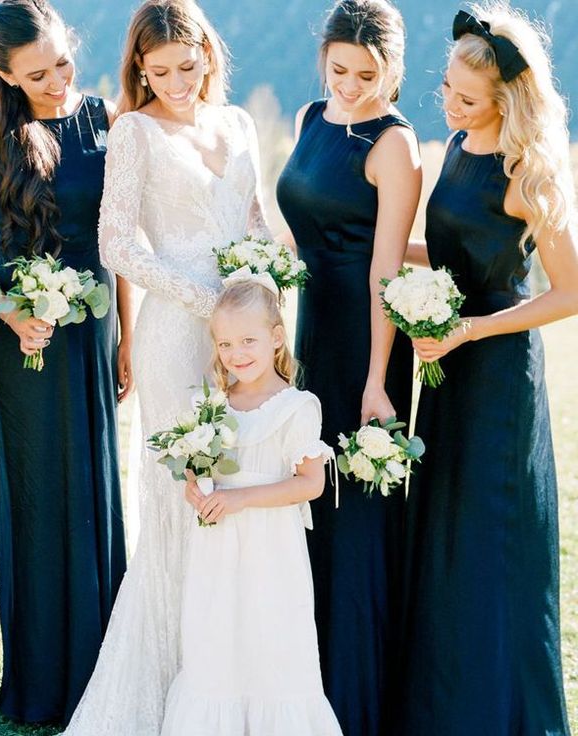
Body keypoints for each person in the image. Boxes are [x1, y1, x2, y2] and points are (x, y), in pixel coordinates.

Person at [62, 1, 270, 733]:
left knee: (241, 478)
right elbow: (117, 245)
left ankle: (229, 673)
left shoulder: (239, 124)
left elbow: (256, 222)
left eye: (188, 66)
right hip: (176, 334)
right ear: (139, 71)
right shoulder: (134, 131)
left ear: (209, 55)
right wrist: (205, 299)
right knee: (183, 492)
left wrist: (269, 297)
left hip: (247, 330)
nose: (177, 82)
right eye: (159, 72)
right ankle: (170, 683)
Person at [396, 4, 577, 734]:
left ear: (507, 101)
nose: (449, 106)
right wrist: (364, 252)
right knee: (441, 532)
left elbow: (568, 293)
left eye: (467, 100)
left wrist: (472, 329)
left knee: (486, 541)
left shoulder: (527, 173)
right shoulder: (456, 147)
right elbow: (446, 255)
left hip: (499, 377)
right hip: (447, 369)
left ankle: (496, 711)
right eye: (445, 90)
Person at [0, 0, 129, 724]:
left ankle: (107, 674)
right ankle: (40, 680)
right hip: (24, 336)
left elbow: (114, 241)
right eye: (37, 73)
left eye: (63, 61)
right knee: (36, 495)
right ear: (2, 72)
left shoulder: (104, 118)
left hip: (96, 329)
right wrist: (10, 310)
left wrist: (129, 340)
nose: (58, 80)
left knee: (96, 491)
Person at [276, 1, 421, 732]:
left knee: (355, 516)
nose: (354, 85)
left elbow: (385, 274)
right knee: (311, 508)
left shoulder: (395, 144)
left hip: (368, 347)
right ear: (323, 61)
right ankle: (308, 688)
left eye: (370, 74)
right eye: (340, 70)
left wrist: (374, 380)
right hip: (310, 335)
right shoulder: (308, 116)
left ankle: (357, 702)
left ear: (392, 69)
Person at [161, 276, 343, 735]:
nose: (236, 353)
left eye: (248, 340)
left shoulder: (297, 406)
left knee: (271, 643)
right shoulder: (215, 402)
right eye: (225, 343)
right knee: (217, 642)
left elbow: (310, 485)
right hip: (218, 552)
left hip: (270, 553)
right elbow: (201, 464)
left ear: (277, 337)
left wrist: (240, 498)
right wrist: (194, 484)